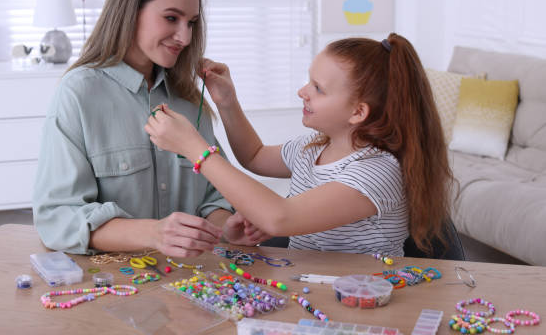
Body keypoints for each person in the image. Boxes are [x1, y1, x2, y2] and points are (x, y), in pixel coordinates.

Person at [32, 0, 270, 257]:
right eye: (171, 18)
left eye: (191, 23)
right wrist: (153, 234)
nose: (184, 37)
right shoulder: (79, 92)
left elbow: (212, 197)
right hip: (116, 284)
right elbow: (57, 217)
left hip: (191, 283)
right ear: (130, 11)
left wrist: (227, 228)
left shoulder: (188, 97)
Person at [145, 34, 454, 256]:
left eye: (318, 89)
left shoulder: (376, 172)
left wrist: (194, 148)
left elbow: (280, 217)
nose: (302, 91)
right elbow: (253, 156)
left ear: (358, 112)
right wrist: (227, 102)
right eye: (309, 80)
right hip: (311, 289)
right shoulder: (314, 147)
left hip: (365, 300)